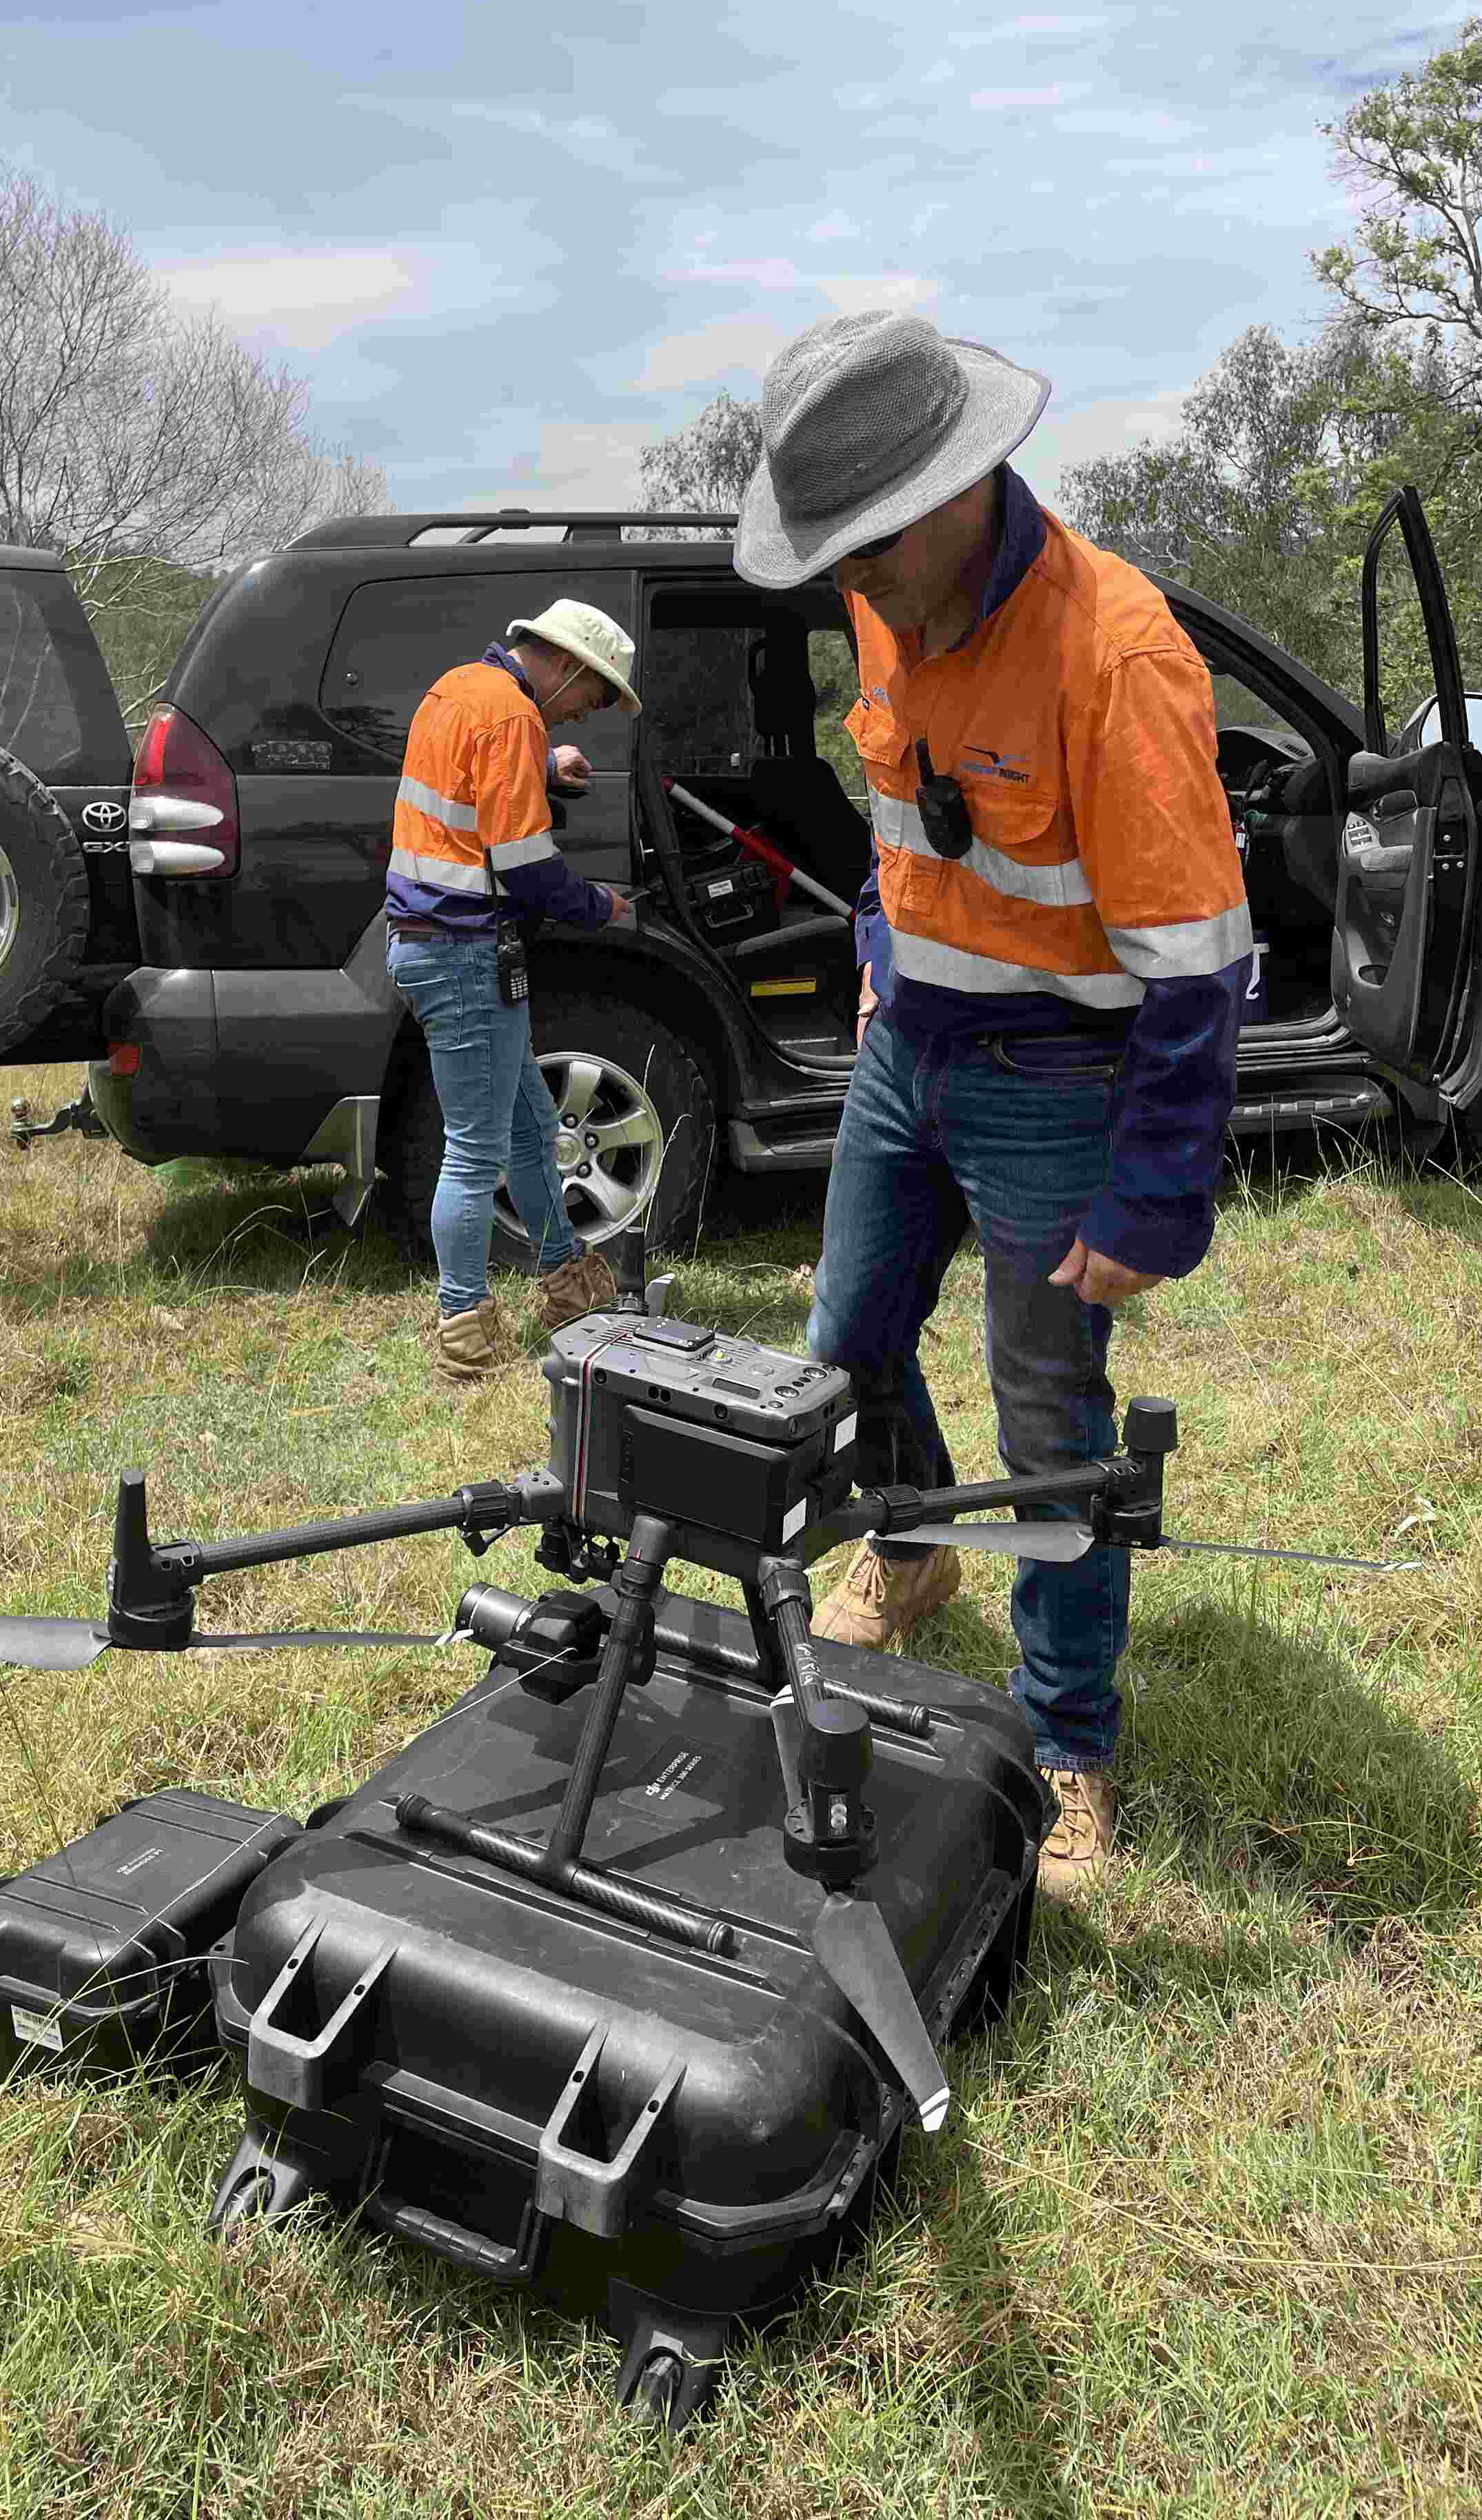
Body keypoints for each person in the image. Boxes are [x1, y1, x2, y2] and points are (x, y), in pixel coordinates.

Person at [733, 311, 1251, 1900]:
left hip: (1056, 1083)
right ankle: (907, 1549)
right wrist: (886, 962)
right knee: (847, 1346)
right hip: (912, 1051)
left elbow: (1198, 960)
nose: (849, 585)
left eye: (866, 547)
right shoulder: (893, 605)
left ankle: (1070, 1748)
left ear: (960, 489)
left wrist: (1155, 1190)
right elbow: (914, 818)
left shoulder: (1118, 656)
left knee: (1048, 1434)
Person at [385, 597, 642, 1384]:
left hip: (445, 946)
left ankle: (566, 1283)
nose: (585, 716)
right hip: (462, 953)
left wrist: (543, 766)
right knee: (474, 1153)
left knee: (532, 1129)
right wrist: (602, 906)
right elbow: (526, 865)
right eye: (592, 699)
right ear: (566, 665)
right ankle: (462, 1335)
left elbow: (472, 785)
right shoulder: (514, 718)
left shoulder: (461, 687)